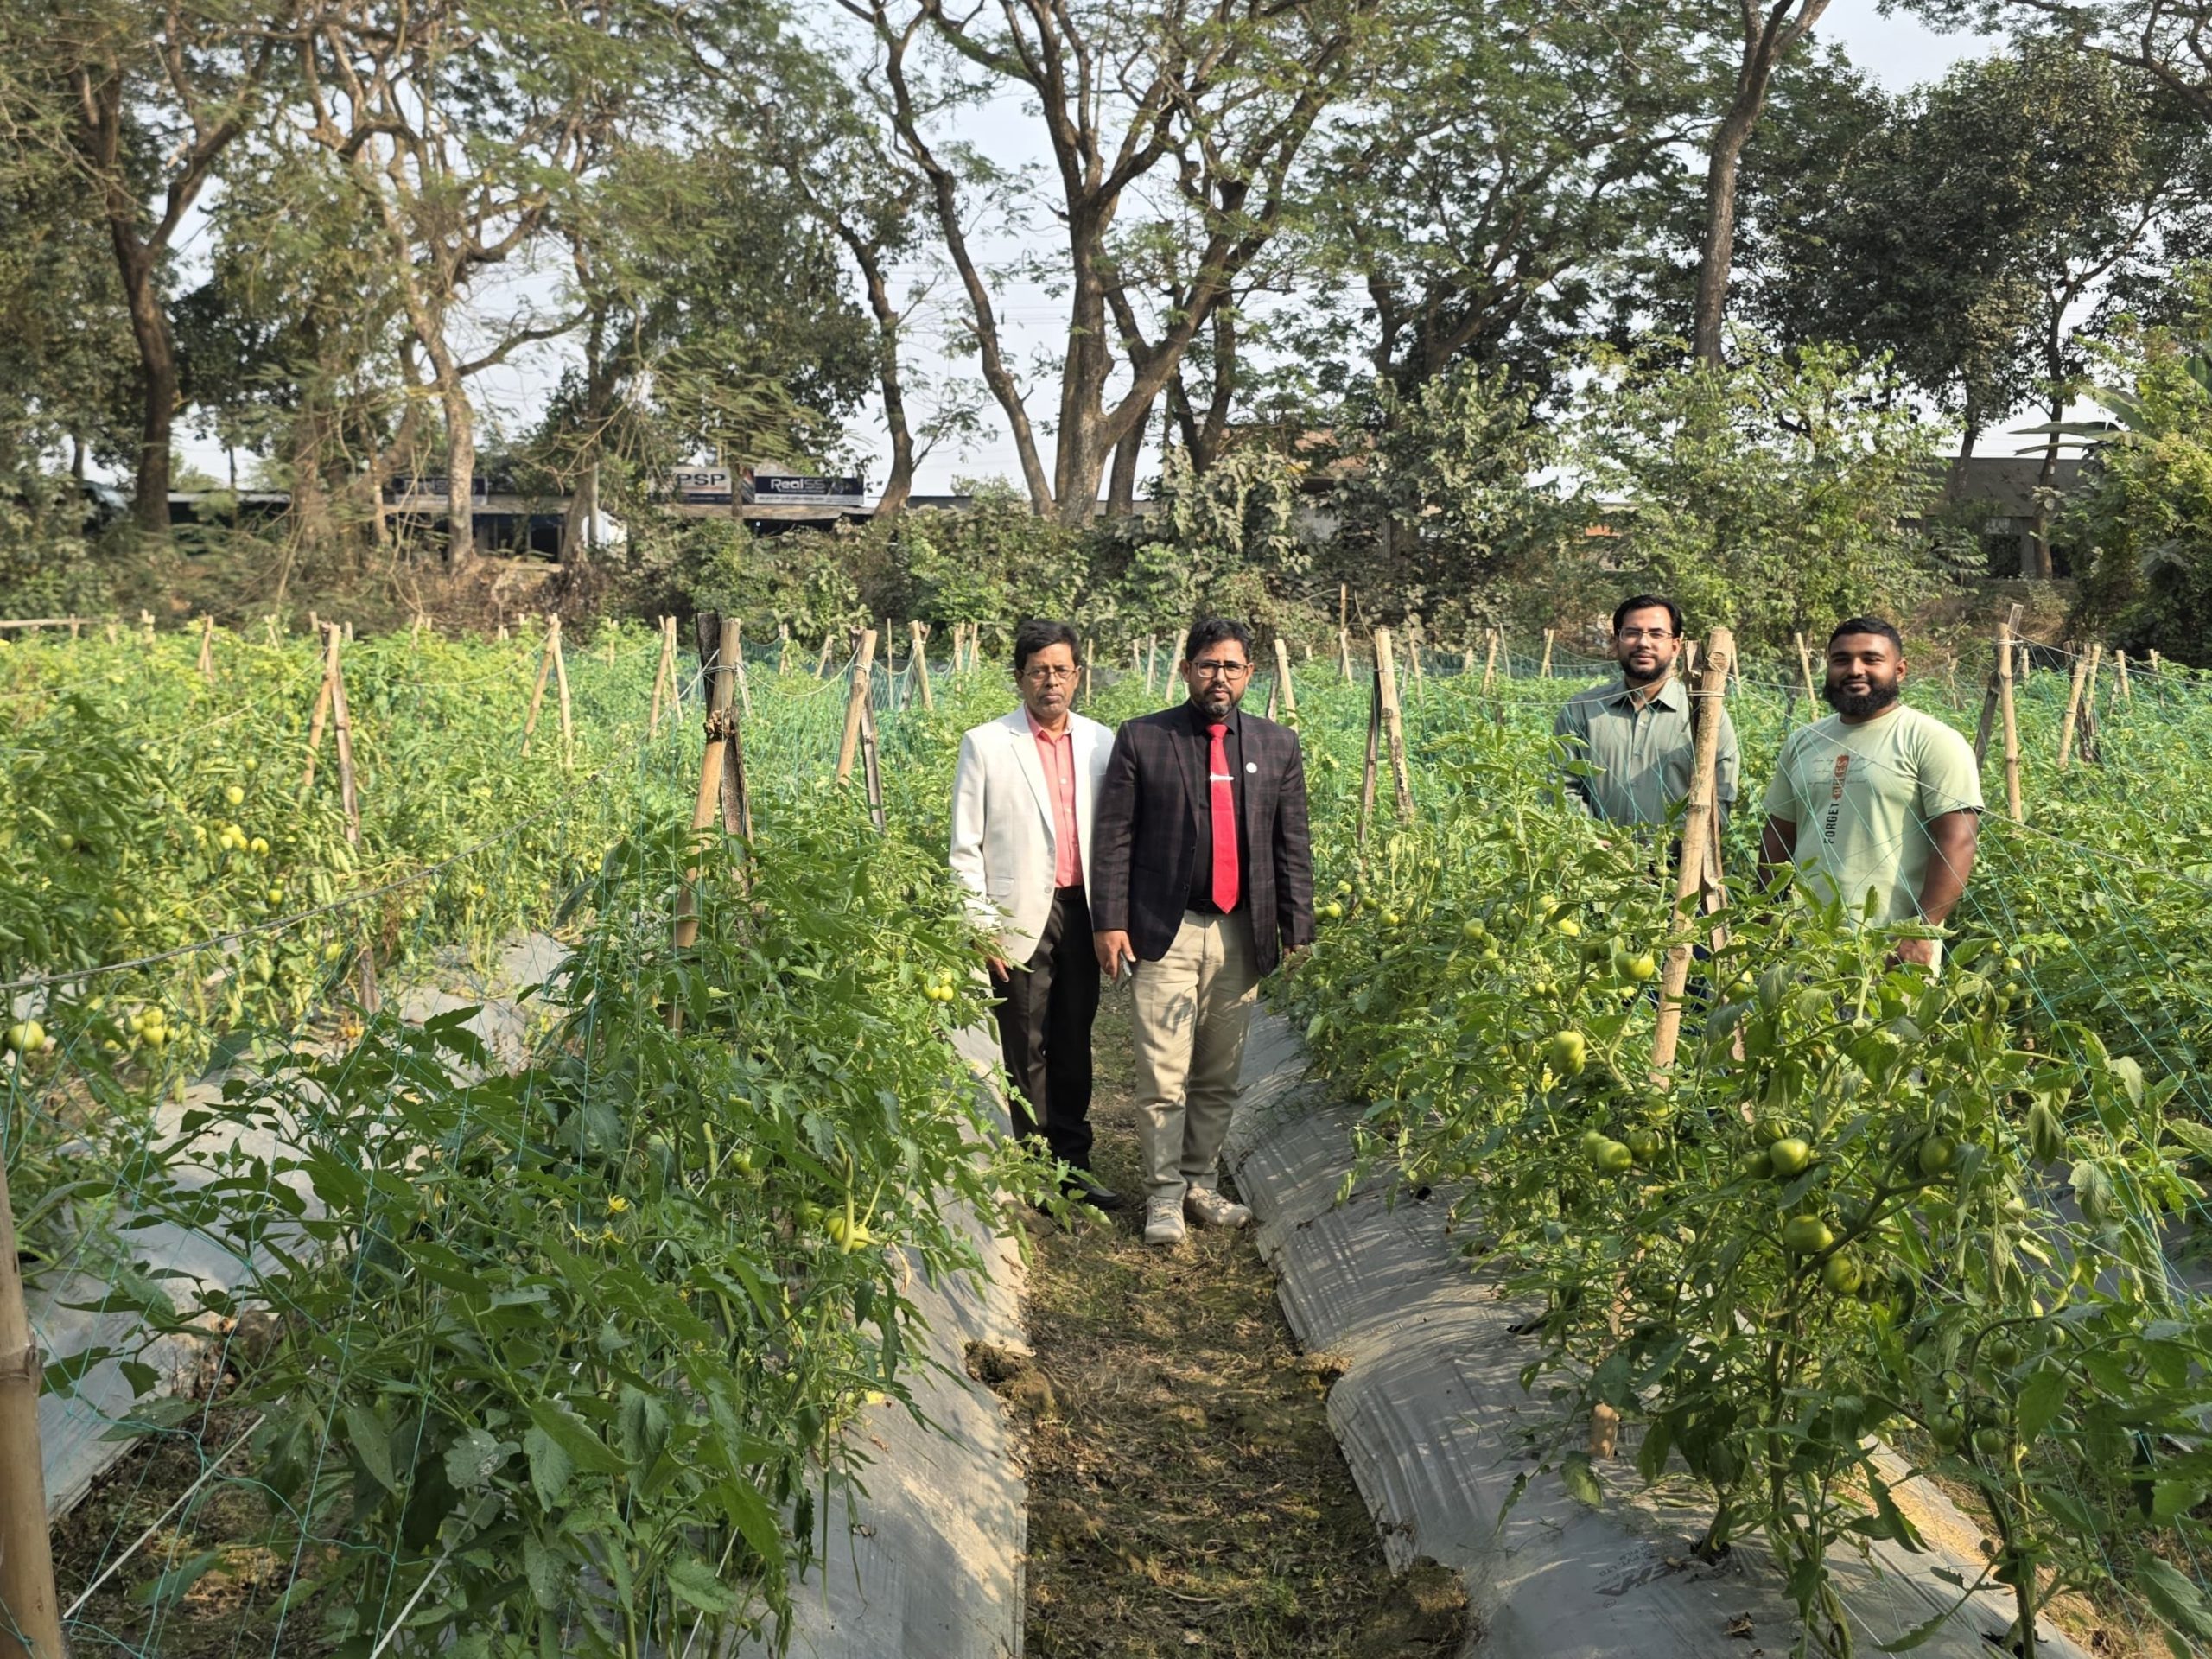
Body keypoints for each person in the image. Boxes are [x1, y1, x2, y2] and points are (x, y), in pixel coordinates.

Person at [1090, 619, 1315, 1246]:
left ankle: (1200, 1183)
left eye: (1232, 667)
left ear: (1249, 675)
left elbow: (1292, 842)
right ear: (1187, 669)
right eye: (1208, 665)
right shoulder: (1144, 738)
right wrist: (1109, 921)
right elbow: (1114, 837)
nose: (1220, 677)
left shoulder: (1276, 744)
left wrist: (1298, 926)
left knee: (1219, 1074)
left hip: (1242, 930)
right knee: (1163, 1075)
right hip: (1168, 928)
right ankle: (1163, 1196)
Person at [950, 619, 1122, 1209]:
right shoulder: (986, 744)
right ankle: (1034, 1168)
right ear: (1019, 677)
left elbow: (1116, 834)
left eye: (1061, 670)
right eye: (1039, 671)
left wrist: (1115, 915)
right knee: (1025, 1043)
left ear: (1078, 675)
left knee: (1074, 1036)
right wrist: (980, 925)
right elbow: (964, 848)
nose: (1051, 681)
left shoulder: (1101, 742)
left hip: (1082, 909)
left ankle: (1073, 1163)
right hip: (1016, 915)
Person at [1758, 617, 1982, 966]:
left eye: (1871, 659)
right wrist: (1765, 915)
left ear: (1900, 670)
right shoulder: (1803, 741)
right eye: (1841, 660)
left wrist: (1921, 932)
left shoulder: (1932, 740)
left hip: (1892, 948)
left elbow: (1958, 841)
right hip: (1805, 945)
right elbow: (1779, 834)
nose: (1854, 670)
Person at [1553, 594, 1739, 829]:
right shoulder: (1582, 709)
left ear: (1675, 646)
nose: (1643, 643)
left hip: (1678, 852)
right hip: (1593, 851)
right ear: (1616, 642)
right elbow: (1561, 784)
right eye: (1632, 633)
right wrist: (1590, 837)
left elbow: (1721, 793)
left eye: (1657, 634)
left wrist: (1686, 845)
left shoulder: (1705, 714)